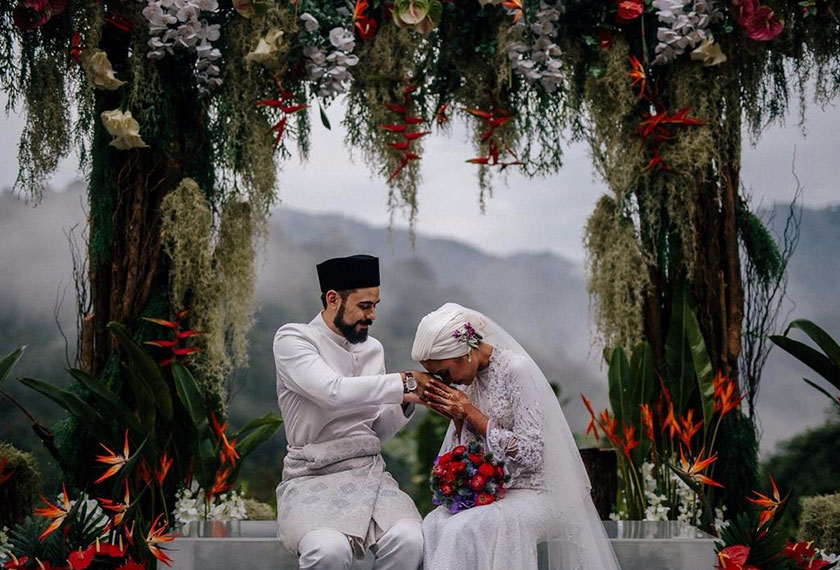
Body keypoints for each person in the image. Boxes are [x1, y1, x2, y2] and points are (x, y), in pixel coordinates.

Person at [412, 303, 621, 570]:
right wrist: (457, 417)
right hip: (496, 492)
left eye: (444, 373)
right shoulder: (469, 381)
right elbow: (466, 455)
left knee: (463, 528)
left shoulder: (516, 369)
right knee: (434, 523)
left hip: (538, 492)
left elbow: (531, 454)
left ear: (465, 352)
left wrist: (470, 412)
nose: (448, 382)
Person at [273, 254, 432, 570]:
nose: (372, 315)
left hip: (368, 471)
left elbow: (374, 431)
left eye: (375, 305)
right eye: (364, 305)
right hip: (310, 474)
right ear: (333, 299)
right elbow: (332, 392)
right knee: (328, 550)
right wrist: (404, 381)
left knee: (410, 539)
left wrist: (406, 400)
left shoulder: (374, 349)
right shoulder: (294, 339)